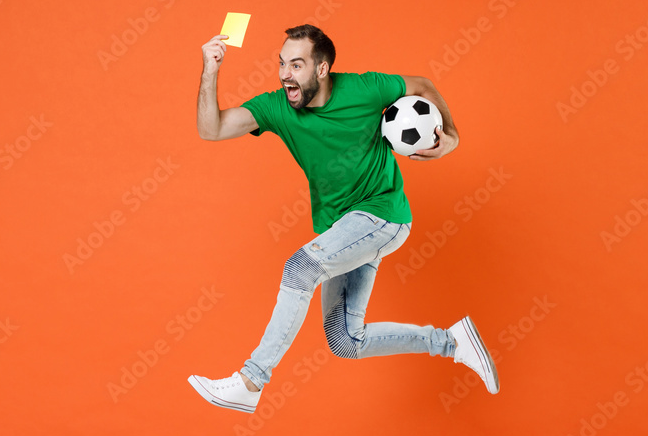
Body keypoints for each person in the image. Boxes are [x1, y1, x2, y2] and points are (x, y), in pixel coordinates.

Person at [187, 24, 499, 413]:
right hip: (342, 229)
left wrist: (450, 136)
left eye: (296, 65)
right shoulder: (277, 108)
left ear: (322, 69)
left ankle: (251, 381)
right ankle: (453, 342)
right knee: (346, 340)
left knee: (300, 269)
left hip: (382, 215)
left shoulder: (365, 90)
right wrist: (211, 69)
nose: (285, 74)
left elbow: (421, 84)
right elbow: (210, 129)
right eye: (282, 64)